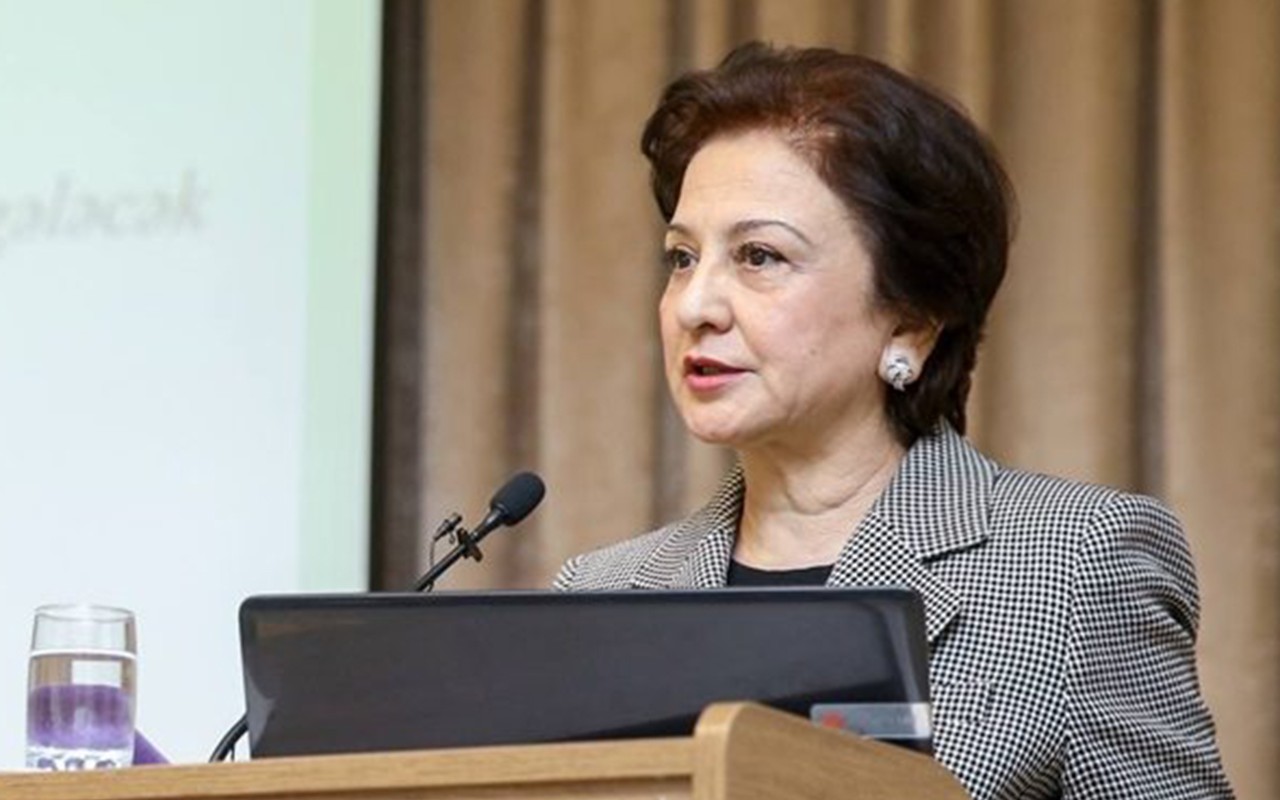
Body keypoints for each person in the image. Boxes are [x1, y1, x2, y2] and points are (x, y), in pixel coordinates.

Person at [553, 42, 1234, 799]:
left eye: (759, 256)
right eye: (682, 258)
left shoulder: (1075, 564)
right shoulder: (600, 593)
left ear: (910, 321)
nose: (695, 306)